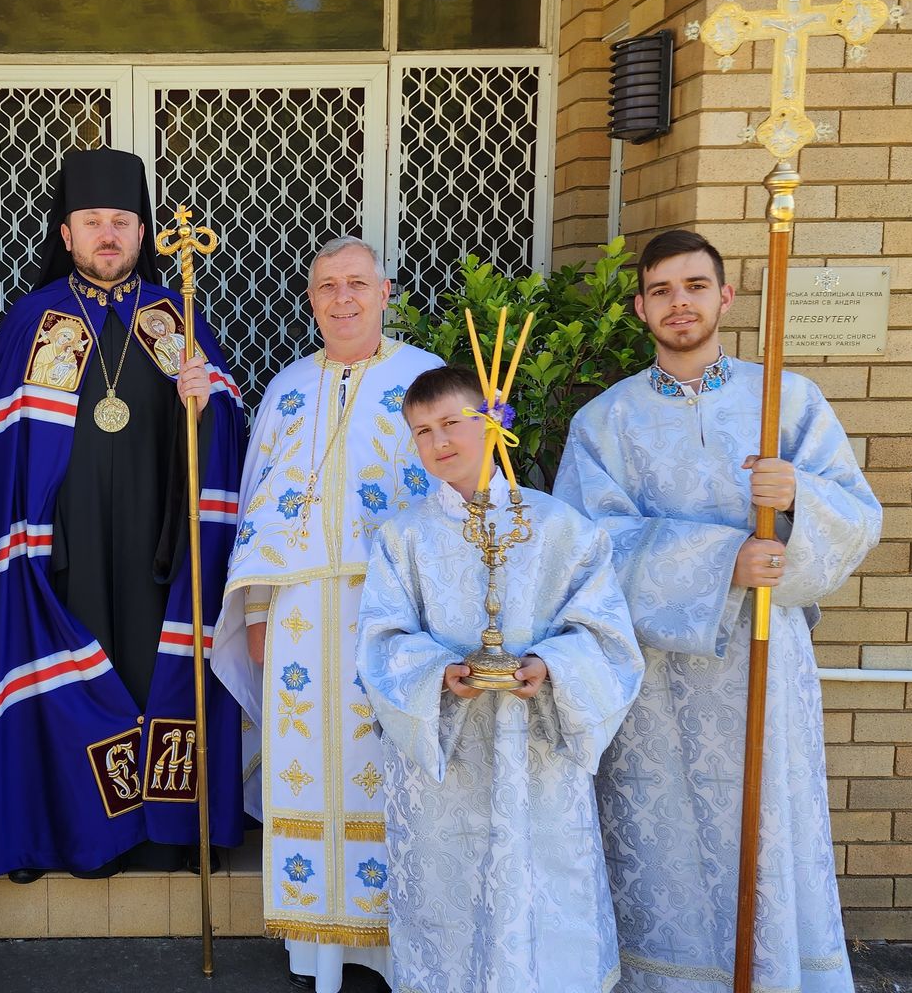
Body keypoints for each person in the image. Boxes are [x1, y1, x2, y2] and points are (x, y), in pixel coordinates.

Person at [554, 229, 882, 993]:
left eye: (695, 286)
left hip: (764, 663)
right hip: (655, 681)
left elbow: (860, 518)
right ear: (639, 307)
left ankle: (770, 975)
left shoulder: (787, 401)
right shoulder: (605, 422)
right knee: (660, 831)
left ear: (725, 296)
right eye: (662, 290)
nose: (680, 303)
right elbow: (589, 546)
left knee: (765, 825)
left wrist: (799, 495)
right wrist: (718, 563)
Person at [0, 148, 248, 881]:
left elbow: (228, 437)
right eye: (92, 222)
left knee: (153, 677)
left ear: (142, 233)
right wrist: (28, 545)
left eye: (121, 221)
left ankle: (164, 835)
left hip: (157, 548)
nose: (108, 235)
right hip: (59, 551)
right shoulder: (31, 322)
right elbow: (1, 454)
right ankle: (65, 832)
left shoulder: (179, 318)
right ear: (65, 232)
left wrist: (206, 411)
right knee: (64, 682)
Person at [357, 364, 642, 993]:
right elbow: (381, 640)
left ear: (490, 420)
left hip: (537, 752)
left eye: (452, 423)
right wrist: (439, 672)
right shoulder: (403, 537)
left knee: (542, 884)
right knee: (449, 890)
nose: (439, 442)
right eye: (422, 431)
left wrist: (551, 667)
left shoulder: (558, 528)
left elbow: (605, 633)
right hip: (448, 763)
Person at [211, 236, 444, 991]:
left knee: (389, 766)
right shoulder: (285, 388)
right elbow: (257, 505)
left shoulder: (423, 380)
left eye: (356, 284)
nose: (341, 299)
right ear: (310, 299)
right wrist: (253, 607)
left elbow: (450, 498)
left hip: (394, 610)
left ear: (385, 292)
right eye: (326, 287)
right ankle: (317, 947)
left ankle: (391, 943)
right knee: (306, 769)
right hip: (300, 616)